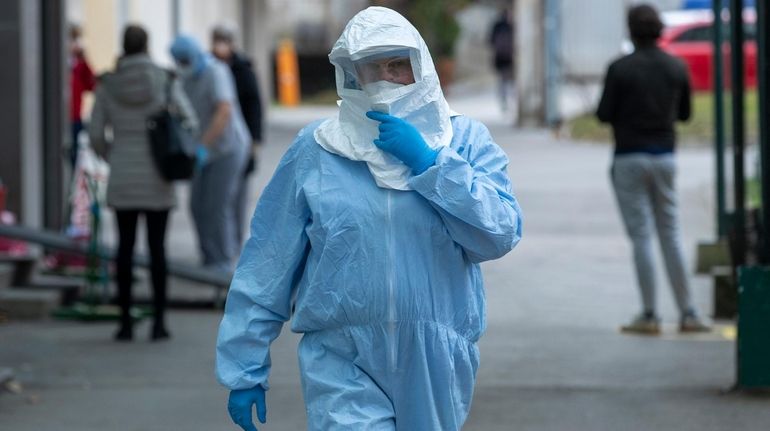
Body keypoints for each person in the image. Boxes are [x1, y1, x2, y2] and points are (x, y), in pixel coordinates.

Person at [216, 7, 522, 431]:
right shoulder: (318, 150)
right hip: (341, 357)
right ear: (351, 75)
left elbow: (499, 233)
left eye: (397, 65)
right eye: (371, 69)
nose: (386, 79)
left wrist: (431, 165)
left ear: (421, 66)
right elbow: (269, 260)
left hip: (435, 356)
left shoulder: (465, 142)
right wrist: (244, 363)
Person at [597, 4, 710, 335]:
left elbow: (604, 113)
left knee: (642, 237)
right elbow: (686, 114)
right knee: (670, 233)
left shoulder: (619, 68)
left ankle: (649, 315)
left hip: (628, 157)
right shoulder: (676, 67)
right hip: (665, 157)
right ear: (660, 30)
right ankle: (689, 312)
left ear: (631, 31)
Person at [89, 25, 198, 341]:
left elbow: (95, 133)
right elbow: (191, 120)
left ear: (123, 47)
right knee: (157, 250)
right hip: (157, 176)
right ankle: (159, 323)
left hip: (123, 174)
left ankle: (124, 323)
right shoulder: (165, 81)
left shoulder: (108, 85)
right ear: (148, 45)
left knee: (124, 249)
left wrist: (113, 156)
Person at [170, 35, 250, 273]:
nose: (183, 64)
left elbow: (224, 111)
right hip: (202, 151)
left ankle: (223, 262)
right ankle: (208, 258)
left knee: (217, 206)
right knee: (197, 206)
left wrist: (203, 144)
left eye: (186, 59)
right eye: (179, 60)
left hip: (227, 149)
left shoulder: (216, 72)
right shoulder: (185, 79)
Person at [211, 24, 264, 246]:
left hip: (241, 140)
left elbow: (255, 106)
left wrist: (255, 141)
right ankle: (223, 243)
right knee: (221, 198)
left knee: (239, 196)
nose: (219, 45)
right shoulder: (210, 66)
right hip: (218, 140)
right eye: (217, 39)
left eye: (224, 40)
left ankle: (235, 242)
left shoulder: (243, 69)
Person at [69, 23, 96, 171]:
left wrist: (84, 60)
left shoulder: (79, 65)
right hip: (63, 117)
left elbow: (91, 85)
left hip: (75, 117)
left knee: (74, 157)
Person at [489, 8, 515, 112]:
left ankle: (504, 100)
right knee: (511, 80)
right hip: (510, 56)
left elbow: (490, 40)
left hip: (499, 56)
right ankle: (511, 100)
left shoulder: (497, 25)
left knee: (502, 80)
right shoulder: (511, 25)